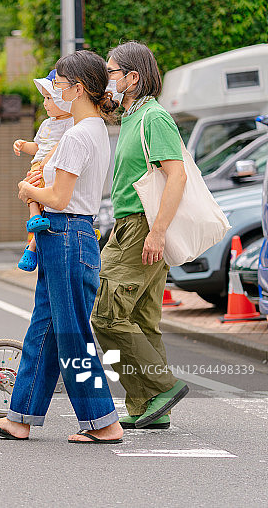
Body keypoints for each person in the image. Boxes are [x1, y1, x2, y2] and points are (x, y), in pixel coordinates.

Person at [0, 50, 123, 443]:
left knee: (72, 333)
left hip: (65, 233)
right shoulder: (93, 130)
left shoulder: (77, 135)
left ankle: (104, 422)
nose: (55, 90)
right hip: (69, 236)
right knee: (45, 330)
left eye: (59, 84)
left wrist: (27, 188)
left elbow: (58, 197)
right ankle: (19, 419)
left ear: (77, 89)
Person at [90, 41, 188, 430]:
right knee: (142, 318)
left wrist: (158, 232)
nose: (107, 79)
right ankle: (148, 403)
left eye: (112, 72)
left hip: (142, 226)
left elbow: (176, 175)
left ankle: (161, 387)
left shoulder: (154, 117)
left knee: (106, 315)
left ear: (133, 77)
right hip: (133, 225)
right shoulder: (131, 116)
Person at [14, 70, 74, 272]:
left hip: (54, 167)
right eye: (44, 98)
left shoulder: (72, 123)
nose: (45, 103)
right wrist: (23, 146)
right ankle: (33, 222)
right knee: (32, 188)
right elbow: (37, 147)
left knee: (37, 192)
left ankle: (31, 247)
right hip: (37, 164)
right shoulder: (46, 124)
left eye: (49, 98)